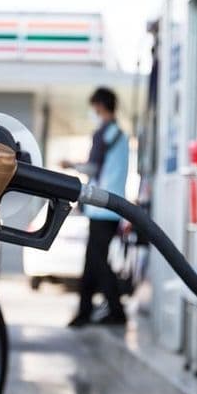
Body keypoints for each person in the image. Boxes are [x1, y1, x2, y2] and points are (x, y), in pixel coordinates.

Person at [62, 87, 129, 327]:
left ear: (100, 106)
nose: (93, 112)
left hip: (101, 207)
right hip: (113, 208)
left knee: (97, 262)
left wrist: (70, 165)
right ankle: (84, 312)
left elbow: (92, 168)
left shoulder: (103, 134)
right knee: (92, 262)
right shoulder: (119, 135)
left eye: (94, 107)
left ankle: (116, 311)